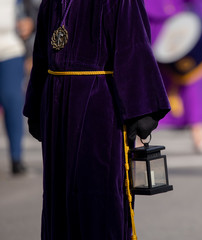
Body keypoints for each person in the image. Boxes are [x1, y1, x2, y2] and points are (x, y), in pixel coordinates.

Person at [23, 0, 170, 239]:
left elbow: (133, 45)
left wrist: (142, 110)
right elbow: (41, 52)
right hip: (57, 102)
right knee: (59, 195)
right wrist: (37, 104)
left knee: (98, 193)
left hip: (100, 105)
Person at [145, 0, 202, 154]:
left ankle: (198, 136)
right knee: (144, 82)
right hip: (148, 22)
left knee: (188, 80)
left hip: (176, 23)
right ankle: (141, 138)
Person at [0, 0, 27, 175]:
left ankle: (16, 157)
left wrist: (28, 22)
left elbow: (31, 13)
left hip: (9, 50)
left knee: (11, 101)